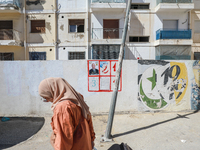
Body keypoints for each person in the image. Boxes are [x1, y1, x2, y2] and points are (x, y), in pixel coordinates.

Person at [38, 77, 95, 150]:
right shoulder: (76, 97)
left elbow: (64, 139)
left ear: (53, 92)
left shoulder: (62, 108)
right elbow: (89, 119)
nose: (48, 101)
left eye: (46, 98)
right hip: (85, 143)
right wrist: (92, 140)